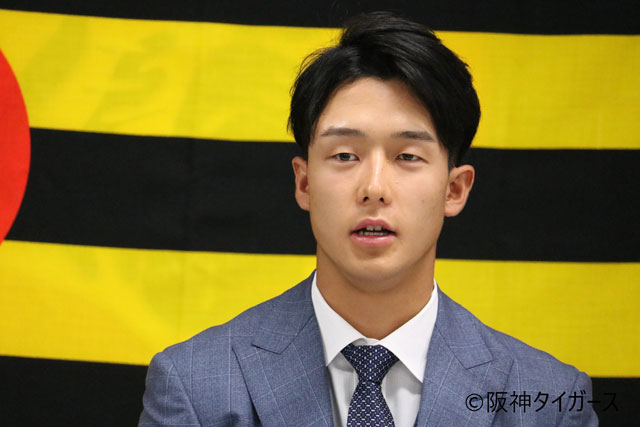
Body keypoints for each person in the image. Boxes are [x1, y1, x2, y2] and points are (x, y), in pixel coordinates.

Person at [139, 12, 597, 427]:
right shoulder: (195, 386)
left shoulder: (550, 401)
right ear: (304, 183)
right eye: (344, 155)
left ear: (454, 190)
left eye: (407, 156)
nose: (373, 187)